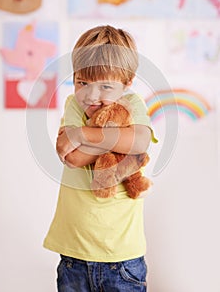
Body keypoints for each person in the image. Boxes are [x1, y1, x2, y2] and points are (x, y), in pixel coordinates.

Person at [43, 25, 157, 291]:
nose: (91, 96)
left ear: (127, 84)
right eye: (82, 82)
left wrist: (82, 132)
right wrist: (118, 138)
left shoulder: (133, 104)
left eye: (105, 86)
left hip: (122, 257)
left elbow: (140, 141)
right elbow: (72, 157)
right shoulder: (74, 103)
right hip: (74, 254)